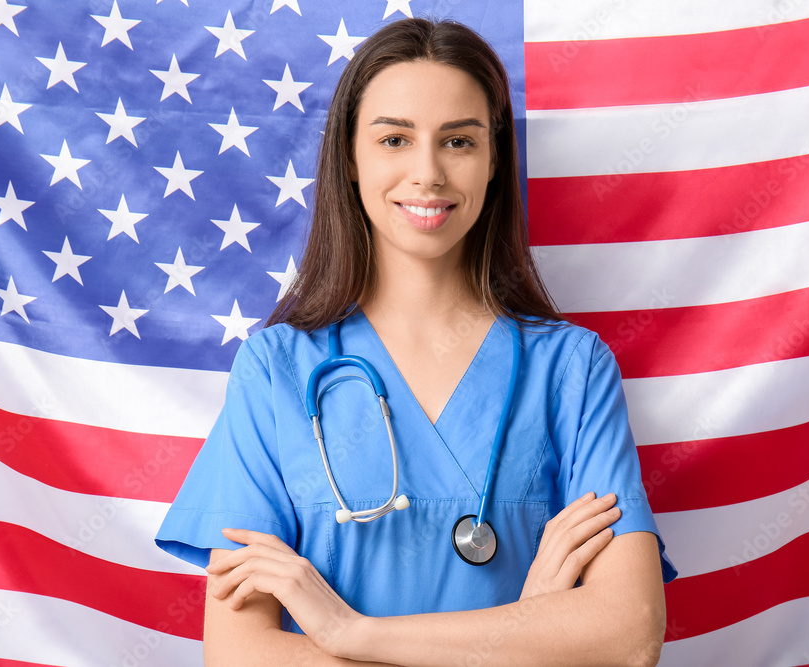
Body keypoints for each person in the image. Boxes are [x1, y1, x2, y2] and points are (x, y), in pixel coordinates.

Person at [156, 17, 676, 666]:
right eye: (395, 139)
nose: (427, 173)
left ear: (493, 162)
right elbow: (238, 654)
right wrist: (524, 628)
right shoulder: (276, 371)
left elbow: (628, 635)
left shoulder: (572, 369)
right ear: (350, 157)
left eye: (458, 141)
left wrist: (350, 632)